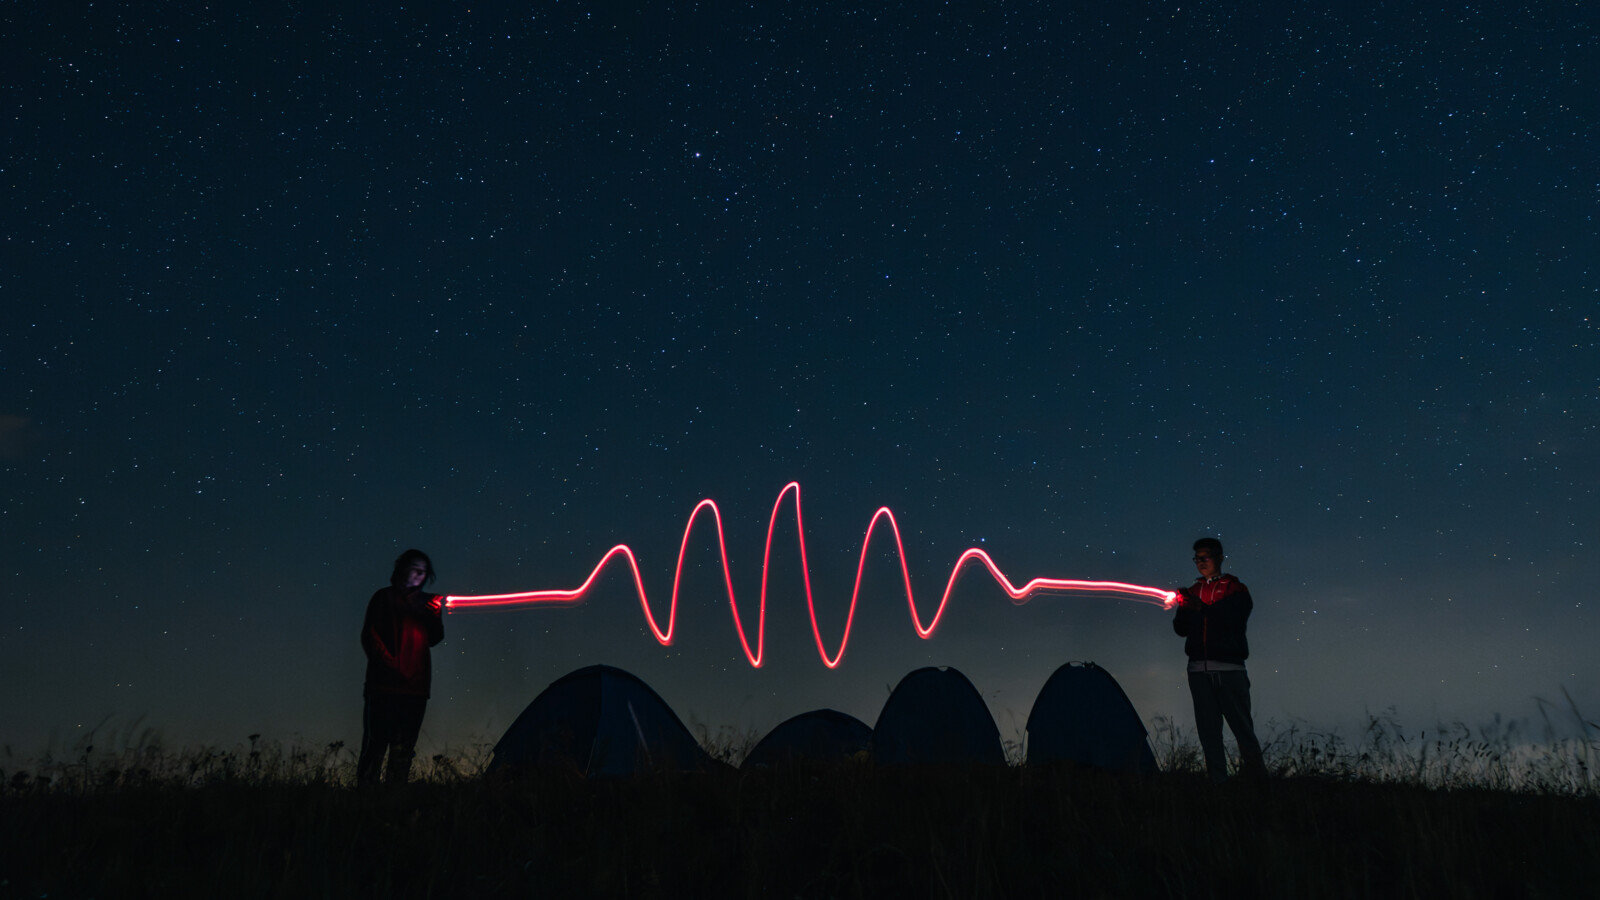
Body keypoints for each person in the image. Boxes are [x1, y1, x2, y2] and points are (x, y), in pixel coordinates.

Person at [1172, 537, 1266, 784]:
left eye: (1206, 557)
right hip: (1198, 671)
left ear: (1219, 557)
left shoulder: (1236, 589)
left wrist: (1200, 608)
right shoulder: (1192, 592)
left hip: (1230, 669)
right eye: (1197, 558)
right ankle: (1218, 784)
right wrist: (1183, 607)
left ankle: (1258, 783)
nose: (1201, 563)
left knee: (1242, 729)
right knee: (1208, 733)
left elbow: (1232, 618)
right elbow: (1180, 629)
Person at [358, 549, 445, 786]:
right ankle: (364, 799)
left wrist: (434, 616)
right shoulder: (383, 598)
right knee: (375, 746)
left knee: (403, 749)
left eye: (424, 571)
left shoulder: (428, 603)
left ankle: (393, 798)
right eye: (415, 568)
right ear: (401, 569)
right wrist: (389, 666)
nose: (419, 574)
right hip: (383, 686)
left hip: (415, 689)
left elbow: (435, 638)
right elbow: (370, 636)